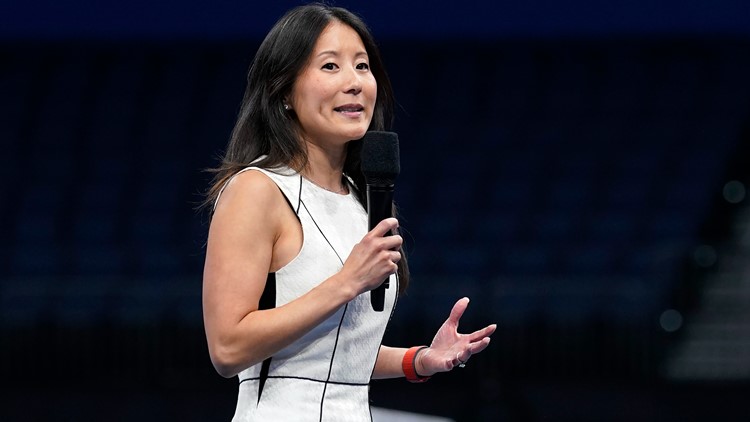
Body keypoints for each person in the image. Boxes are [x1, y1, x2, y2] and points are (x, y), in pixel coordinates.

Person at [202, 3, 496, 421]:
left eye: (362, 66)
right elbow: (227, 349)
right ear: (284, 92)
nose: (354, 83)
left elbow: (329, 354)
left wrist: (418, 360)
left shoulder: (363, 199)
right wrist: (346, 282)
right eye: (330, 66)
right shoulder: (256, 190)